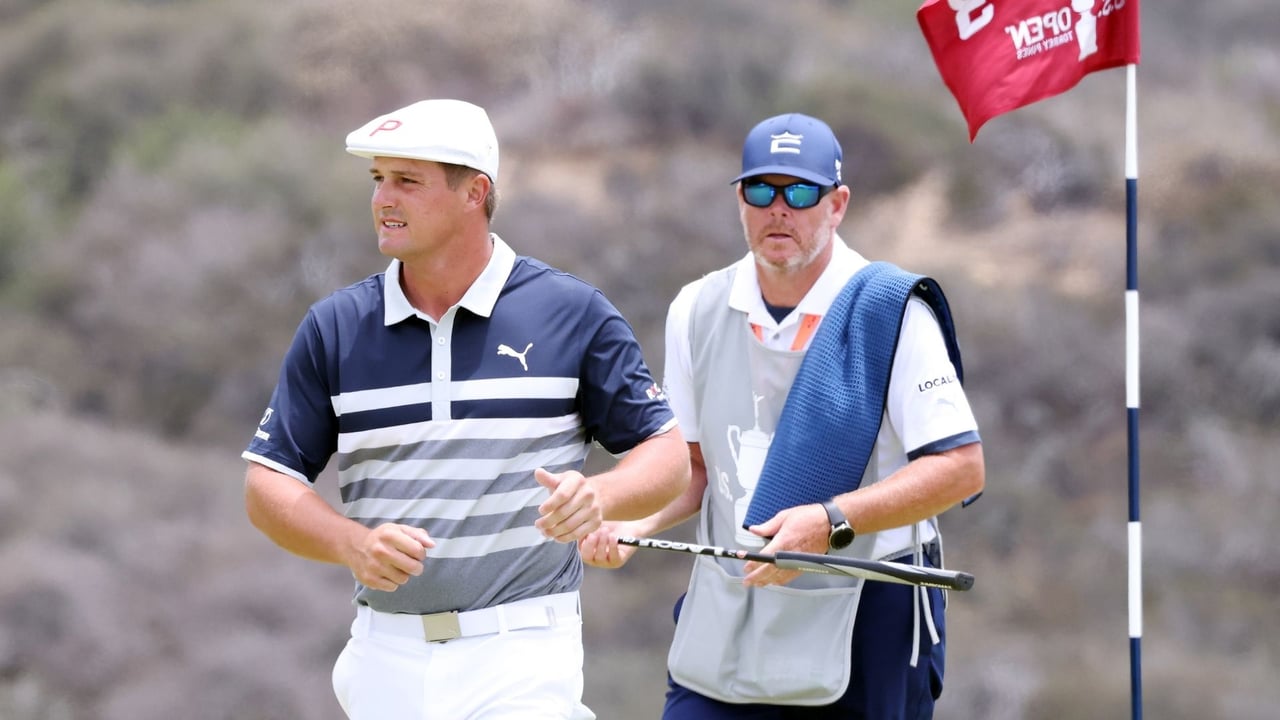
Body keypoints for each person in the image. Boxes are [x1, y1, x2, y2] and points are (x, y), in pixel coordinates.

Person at [242, 98, 690, 720]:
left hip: (522, 651)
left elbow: (666, 455)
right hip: (383, 656)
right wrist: (351, 544)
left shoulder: (574, 313)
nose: (382, 199)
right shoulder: (335, 327)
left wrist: (602, 498)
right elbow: (268, 483)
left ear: (474, 193)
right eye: (378, 180)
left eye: (407, 181)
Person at [580, 112, 985, 719]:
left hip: (867, 617)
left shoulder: (891, 309)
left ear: (837, 203)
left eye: (800, 192)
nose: (779, 209)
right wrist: (636, 524)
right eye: (760, 190)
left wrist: (832, 522)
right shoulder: (696, 307)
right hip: (729, 616)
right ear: (738, 199)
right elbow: (694, 466)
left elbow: (960, 468)